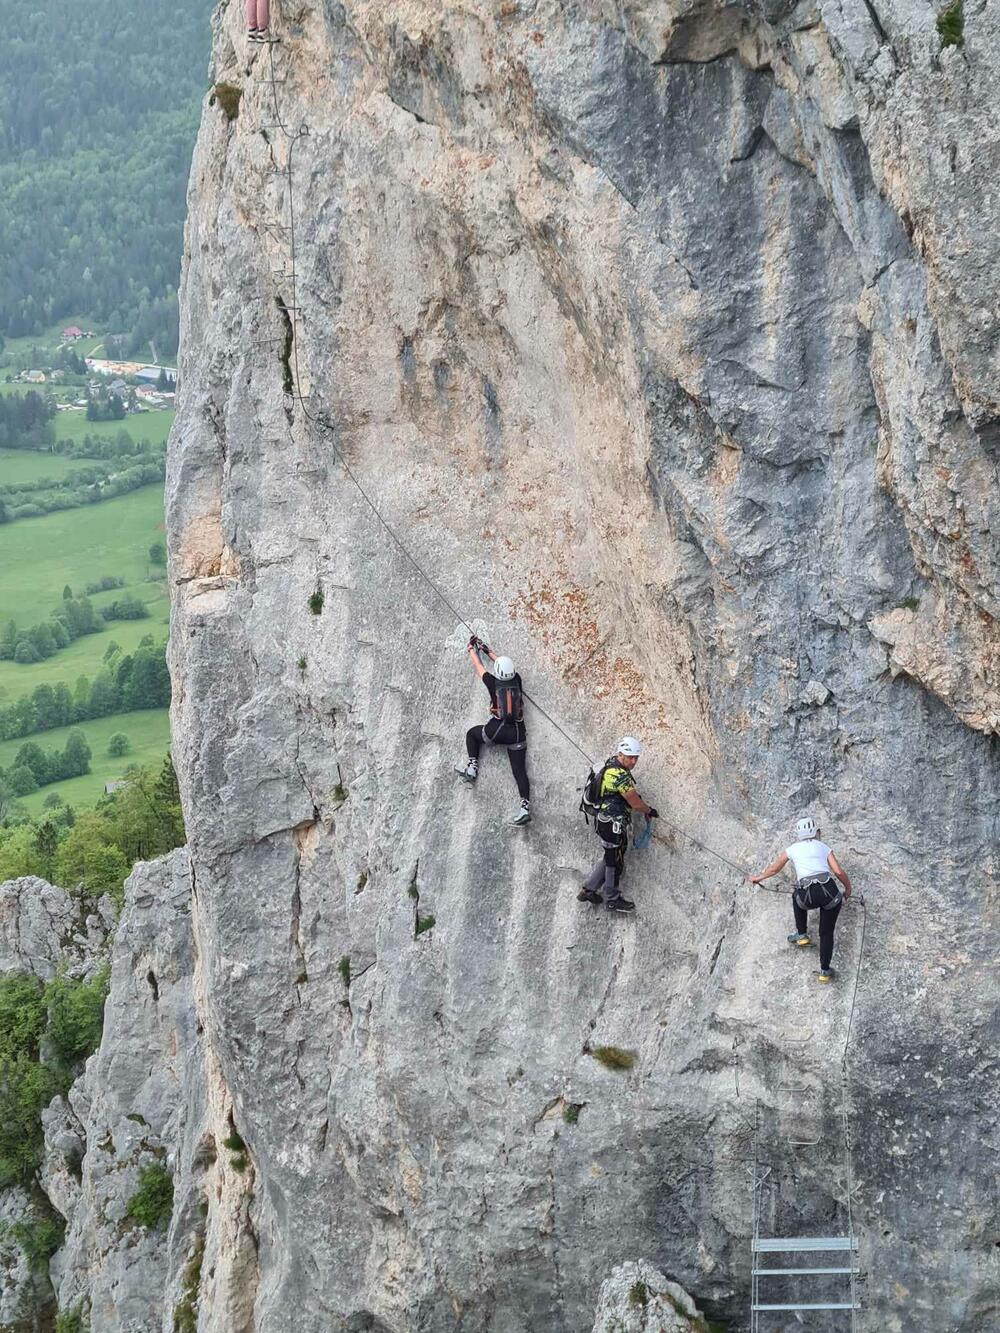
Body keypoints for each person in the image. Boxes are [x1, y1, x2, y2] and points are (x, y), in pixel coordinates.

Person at [749, 816, 852, 983]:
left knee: (796, 895)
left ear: (799, 833)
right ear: (815, 831)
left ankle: (802, 934)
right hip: (830, 895)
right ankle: (824, 971)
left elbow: (774, 869)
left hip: (807, 896)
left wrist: (758, 878)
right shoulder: (823, 847)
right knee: (826, 933)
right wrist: (847, 889)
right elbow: (838, 872)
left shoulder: (792, 849)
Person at [455, 637, 531, 826]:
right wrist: (488, 650)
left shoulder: (492, 682)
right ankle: (525, 808)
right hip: (517, 733)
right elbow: (501, 663)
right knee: (519, 771)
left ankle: (472, 768)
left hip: (496, 730)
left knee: (472, 734)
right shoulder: (518, 679)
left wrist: (472, 649)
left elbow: (479, 667)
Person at [577, 737, 658, 914]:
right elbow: (635, 803)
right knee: (615, 861)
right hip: (611, 823)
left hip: (605, 821)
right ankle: (612, 899)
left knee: (609, 856)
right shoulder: (618, 774)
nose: (634, 761)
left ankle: (588, 890)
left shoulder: (611, 765)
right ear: (621, 754)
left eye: (636, 757)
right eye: (630, 757)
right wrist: (649, 810)